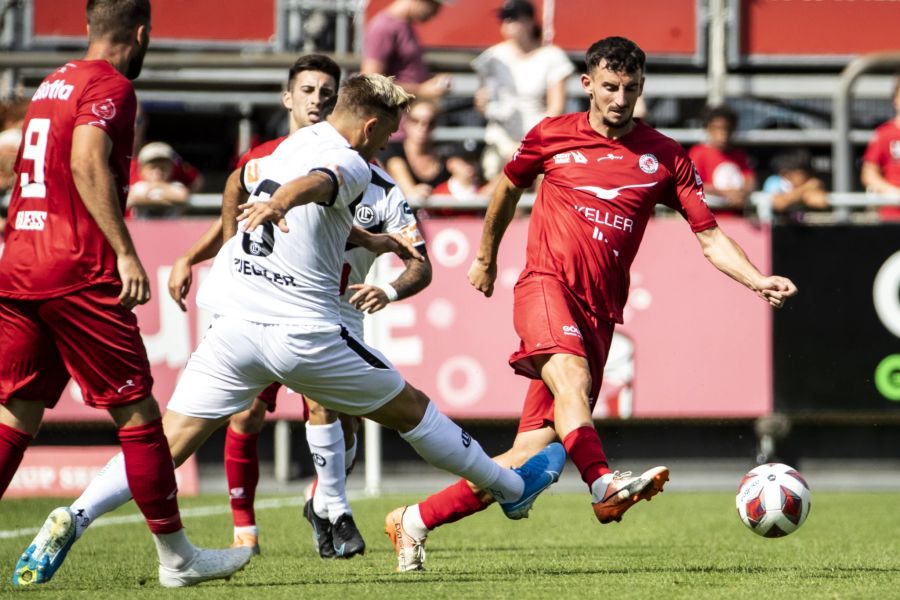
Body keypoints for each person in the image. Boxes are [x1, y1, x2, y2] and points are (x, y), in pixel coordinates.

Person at [22, 73, 565, 581]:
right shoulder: (350, 162)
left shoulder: (288, 145)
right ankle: (510, 487)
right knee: (412, 410)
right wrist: (283, 200)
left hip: (233, 323)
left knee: (168, 441)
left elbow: (312, 198)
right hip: (299, 331)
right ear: (371, 126)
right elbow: (322, 183)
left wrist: (367, 240)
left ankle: (75, 514)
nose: (385, 148)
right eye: (387, 135)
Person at [383, 36, 798, 573]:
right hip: (546, 286)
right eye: (609, 86)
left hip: (600, 313)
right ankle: (603, 484)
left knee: (529, 457)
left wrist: (757, 279)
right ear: (587, 85)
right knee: (572, 384)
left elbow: (710, 235)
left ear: (641, 88)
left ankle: (413, 520)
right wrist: (485, 257)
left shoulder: (666, 156)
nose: (619, 98)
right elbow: (506, 190)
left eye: (630, 88)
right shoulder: (551, 136)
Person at [0, 0, 251, 588]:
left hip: (19, 264)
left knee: (16, 412)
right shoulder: (111, 85)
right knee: (137, 412)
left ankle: (177, 556)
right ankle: (178, 559)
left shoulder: (52, 82)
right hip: (76, 269)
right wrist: (125, 250)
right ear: (139, 33)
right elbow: (88, 162)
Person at [168, 54, 432, 560]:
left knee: (342, 423)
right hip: (262, 305)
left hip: (326, 311)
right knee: (247, 416)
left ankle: (323, 501)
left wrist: (387, 278)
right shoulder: (273, 154)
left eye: (326, 92)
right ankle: (252, 528)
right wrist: (213, 254)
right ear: (288, 97)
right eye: (307, 90)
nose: (317, 100)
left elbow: (409, 255)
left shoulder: (365, 173)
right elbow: (240, 199)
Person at [472, 0, 574, 181]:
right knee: (498, 188)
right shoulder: (491, 57)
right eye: (504, 19)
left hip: (540, 141)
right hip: (500, 140)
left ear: (529, 21)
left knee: (543, 186)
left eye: (512, 18)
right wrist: (481, 103)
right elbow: (483, 103)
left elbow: (556, 108)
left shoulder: (552, 56)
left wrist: (528, 145)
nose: (506, 24)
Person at [361, 0, 453, 101]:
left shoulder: (404, 25)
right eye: (435, 5)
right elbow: (371, 82)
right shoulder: (383, 27)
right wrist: (420, 90)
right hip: (393, 113)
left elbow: (406, 73)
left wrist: (431, 82)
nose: (436, 12)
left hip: (405, 111)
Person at [688, 104, 756, 213]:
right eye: (717, 128)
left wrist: (743, 193)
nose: (723, 133)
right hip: (709, 220)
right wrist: (726, 193)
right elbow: (693, 184)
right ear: (708, 129)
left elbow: (750, 181)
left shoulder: (739, 155)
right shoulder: (698, 153)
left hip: (737, 220)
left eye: (727, 128)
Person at [382, 98, 450, 203]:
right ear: (406, 122)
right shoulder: (392, 150)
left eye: (430, 123)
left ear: (435, 126)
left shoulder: (444, 157)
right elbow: (406, 186)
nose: (423, 127)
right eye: (415, 121)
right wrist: (413, 191)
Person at [860, 77, 900, 220]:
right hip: (892, 217)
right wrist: (893, 193)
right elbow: (869, 174)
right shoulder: (884, 134)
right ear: (895, 99)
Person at [126, 141, 192, 217]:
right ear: (141, 170)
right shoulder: (138, 187)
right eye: (152, 168)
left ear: (171, 169)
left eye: (163, 168)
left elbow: (182, 197)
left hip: (171, 228)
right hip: (143, 228)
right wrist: (167, 201)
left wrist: (152, 195)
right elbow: (134, 199)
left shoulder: (177, 186)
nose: (158, 172)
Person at [762, 149, 829, 214]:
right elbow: (779, 204)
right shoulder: (774, 181)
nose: (807, 176)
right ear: (785, 174)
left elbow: (819, 201)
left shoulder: (813, 184)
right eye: (802, 173)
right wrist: (804, 189)